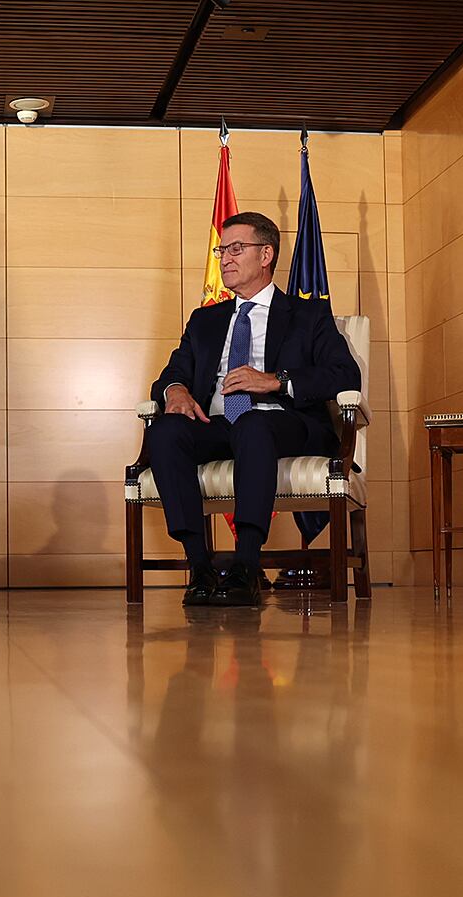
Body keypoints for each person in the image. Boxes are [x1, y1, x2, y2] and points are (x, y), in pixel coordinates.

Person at [145, 212, 362, 607]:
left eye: (235, 249)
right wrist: (175, 391)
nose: (224, 258)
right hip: (216, 424)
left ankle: (246, 564)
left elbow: (344, 375)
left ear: (266, 254)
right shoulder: (205, 320)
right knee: (164, 431)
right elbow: (172, 373)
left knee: (254, 425)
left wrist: (275, 379)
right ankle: (201, 568)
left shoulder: (307, 315)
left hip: (283, 423)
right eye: (221, 250)